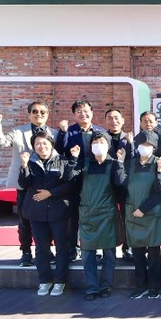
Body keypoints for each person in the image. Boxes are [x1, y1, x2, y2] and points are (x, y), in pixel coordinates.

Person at [0, 101, 57, 266]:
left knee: (46, 219)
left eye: (42, 112)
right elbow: (1, 143)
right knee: (25, 219)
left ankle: (46, 250)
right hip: (24, 183)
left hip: (45, 183)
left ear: (47, 114)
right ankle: (26, 251)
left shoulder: (55, 134)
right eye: (35, 111)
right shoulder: (18, 132)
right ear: (29, 114)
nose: (39, 114)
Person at [18, 131, 76, 297]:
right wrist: (24, 166)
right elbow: (24, 184)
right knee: (41, 248)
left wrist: (50, 193)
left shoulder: (63, 161)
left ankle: (60, 281)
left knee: (61, 247)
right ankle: (44, 280)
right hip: (37, 213)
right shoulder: (30, 162)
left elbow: (70, 184)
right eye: (37, 144)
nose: (41, 146)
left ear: (51, 144)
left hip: (59, 212)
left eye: (44, 143)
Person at [69, 131, 124, 301]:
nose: (98, 145)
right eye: (95, 142)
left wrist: (120, 163)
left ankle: (106, 285)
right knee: (87, 254)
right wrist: (74, 159)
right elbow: (69, 179)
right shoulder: (84, 163)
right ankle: (91, 287)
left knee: (109, 254)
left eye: (102, 142)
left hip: (107, 215)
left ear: (108, 145)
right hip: (87, 214)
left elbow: (121, 185)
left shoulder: (113, 164)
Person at [116, 130, 161, 300]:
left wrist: (160, 172)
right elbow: (121, 183)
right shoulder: (130, 163)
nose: (145, 147)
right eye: (142, 144)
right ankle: (140, 286)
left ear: (154, 147)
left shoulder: (159, 162)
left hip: (151, 213)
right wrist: (119, 163)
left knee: (154, 254)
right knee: (137, 253)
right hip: (133, 212)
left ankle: (154, 287)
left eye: (148, 145)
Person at [58, 100, 106, 262]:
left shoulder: (100, 132)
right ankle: (73, 248)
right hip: (74, 180)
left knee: (94, 214)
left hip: (95, 180)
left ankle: (95, 246)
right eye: (79, 111)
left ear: (92, 113)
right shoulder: (68, 131)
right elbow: (59, 150)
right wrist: (63, 133)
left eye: (86, 111)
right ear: (74, 115)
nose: (83, 114)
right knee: (73, 216)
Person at [104, 108, 134, 262]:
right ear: (105, 121)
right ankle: (108, 251)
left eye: (116, 118)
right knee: (108, 219)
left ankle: (127, 248)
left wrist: (132, 144)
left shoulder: (129, 139)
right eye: (110, 118)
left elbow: (134, 161)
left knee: (126, 217)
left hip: (124, 185)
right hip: (106, 186)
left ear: (122, 121)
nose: (113, 121)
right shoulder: (101, 139)